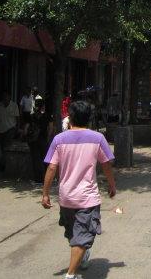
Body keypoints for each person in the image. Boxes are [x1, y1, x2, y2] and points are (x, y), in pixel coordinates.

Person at [42, 101, 116, 279]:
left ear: (70, 118)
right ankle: (70, 275)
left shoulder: (59, 139)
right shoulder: (98, 138)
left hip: (66, 197)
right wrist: (112, 185)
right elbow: (106, 164)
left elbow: (51, 167)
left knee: (75, 235)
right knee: (82, 236)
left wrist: (45, 194)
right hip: (87, 198)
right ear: (89, 118)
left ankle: (80, 260)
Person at [25, 98, 54, 183]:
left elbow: (26, 129)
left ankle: (38, 179)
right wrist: (48, 137)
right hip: (43, 139)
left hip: (33, 140)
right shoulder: (47, 116)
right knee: (45, 159)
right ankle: (46, 177)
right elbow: (51, 128)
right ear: (43, 106)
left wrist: (27, 137)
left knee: (35, 159)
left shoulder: (31, 116)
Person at [0, 91, 20, 172]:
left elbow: (17, 118)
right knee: (2, 147)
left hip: (11, 128)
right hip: (1, 130)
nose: (5, 98)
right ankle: (4, 162)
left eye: (7, 96)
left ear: (9, 97)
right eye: (4, 97)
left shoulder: (14, 105)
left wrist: (17, 128)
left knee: (6, 146)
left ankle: (2, 164)